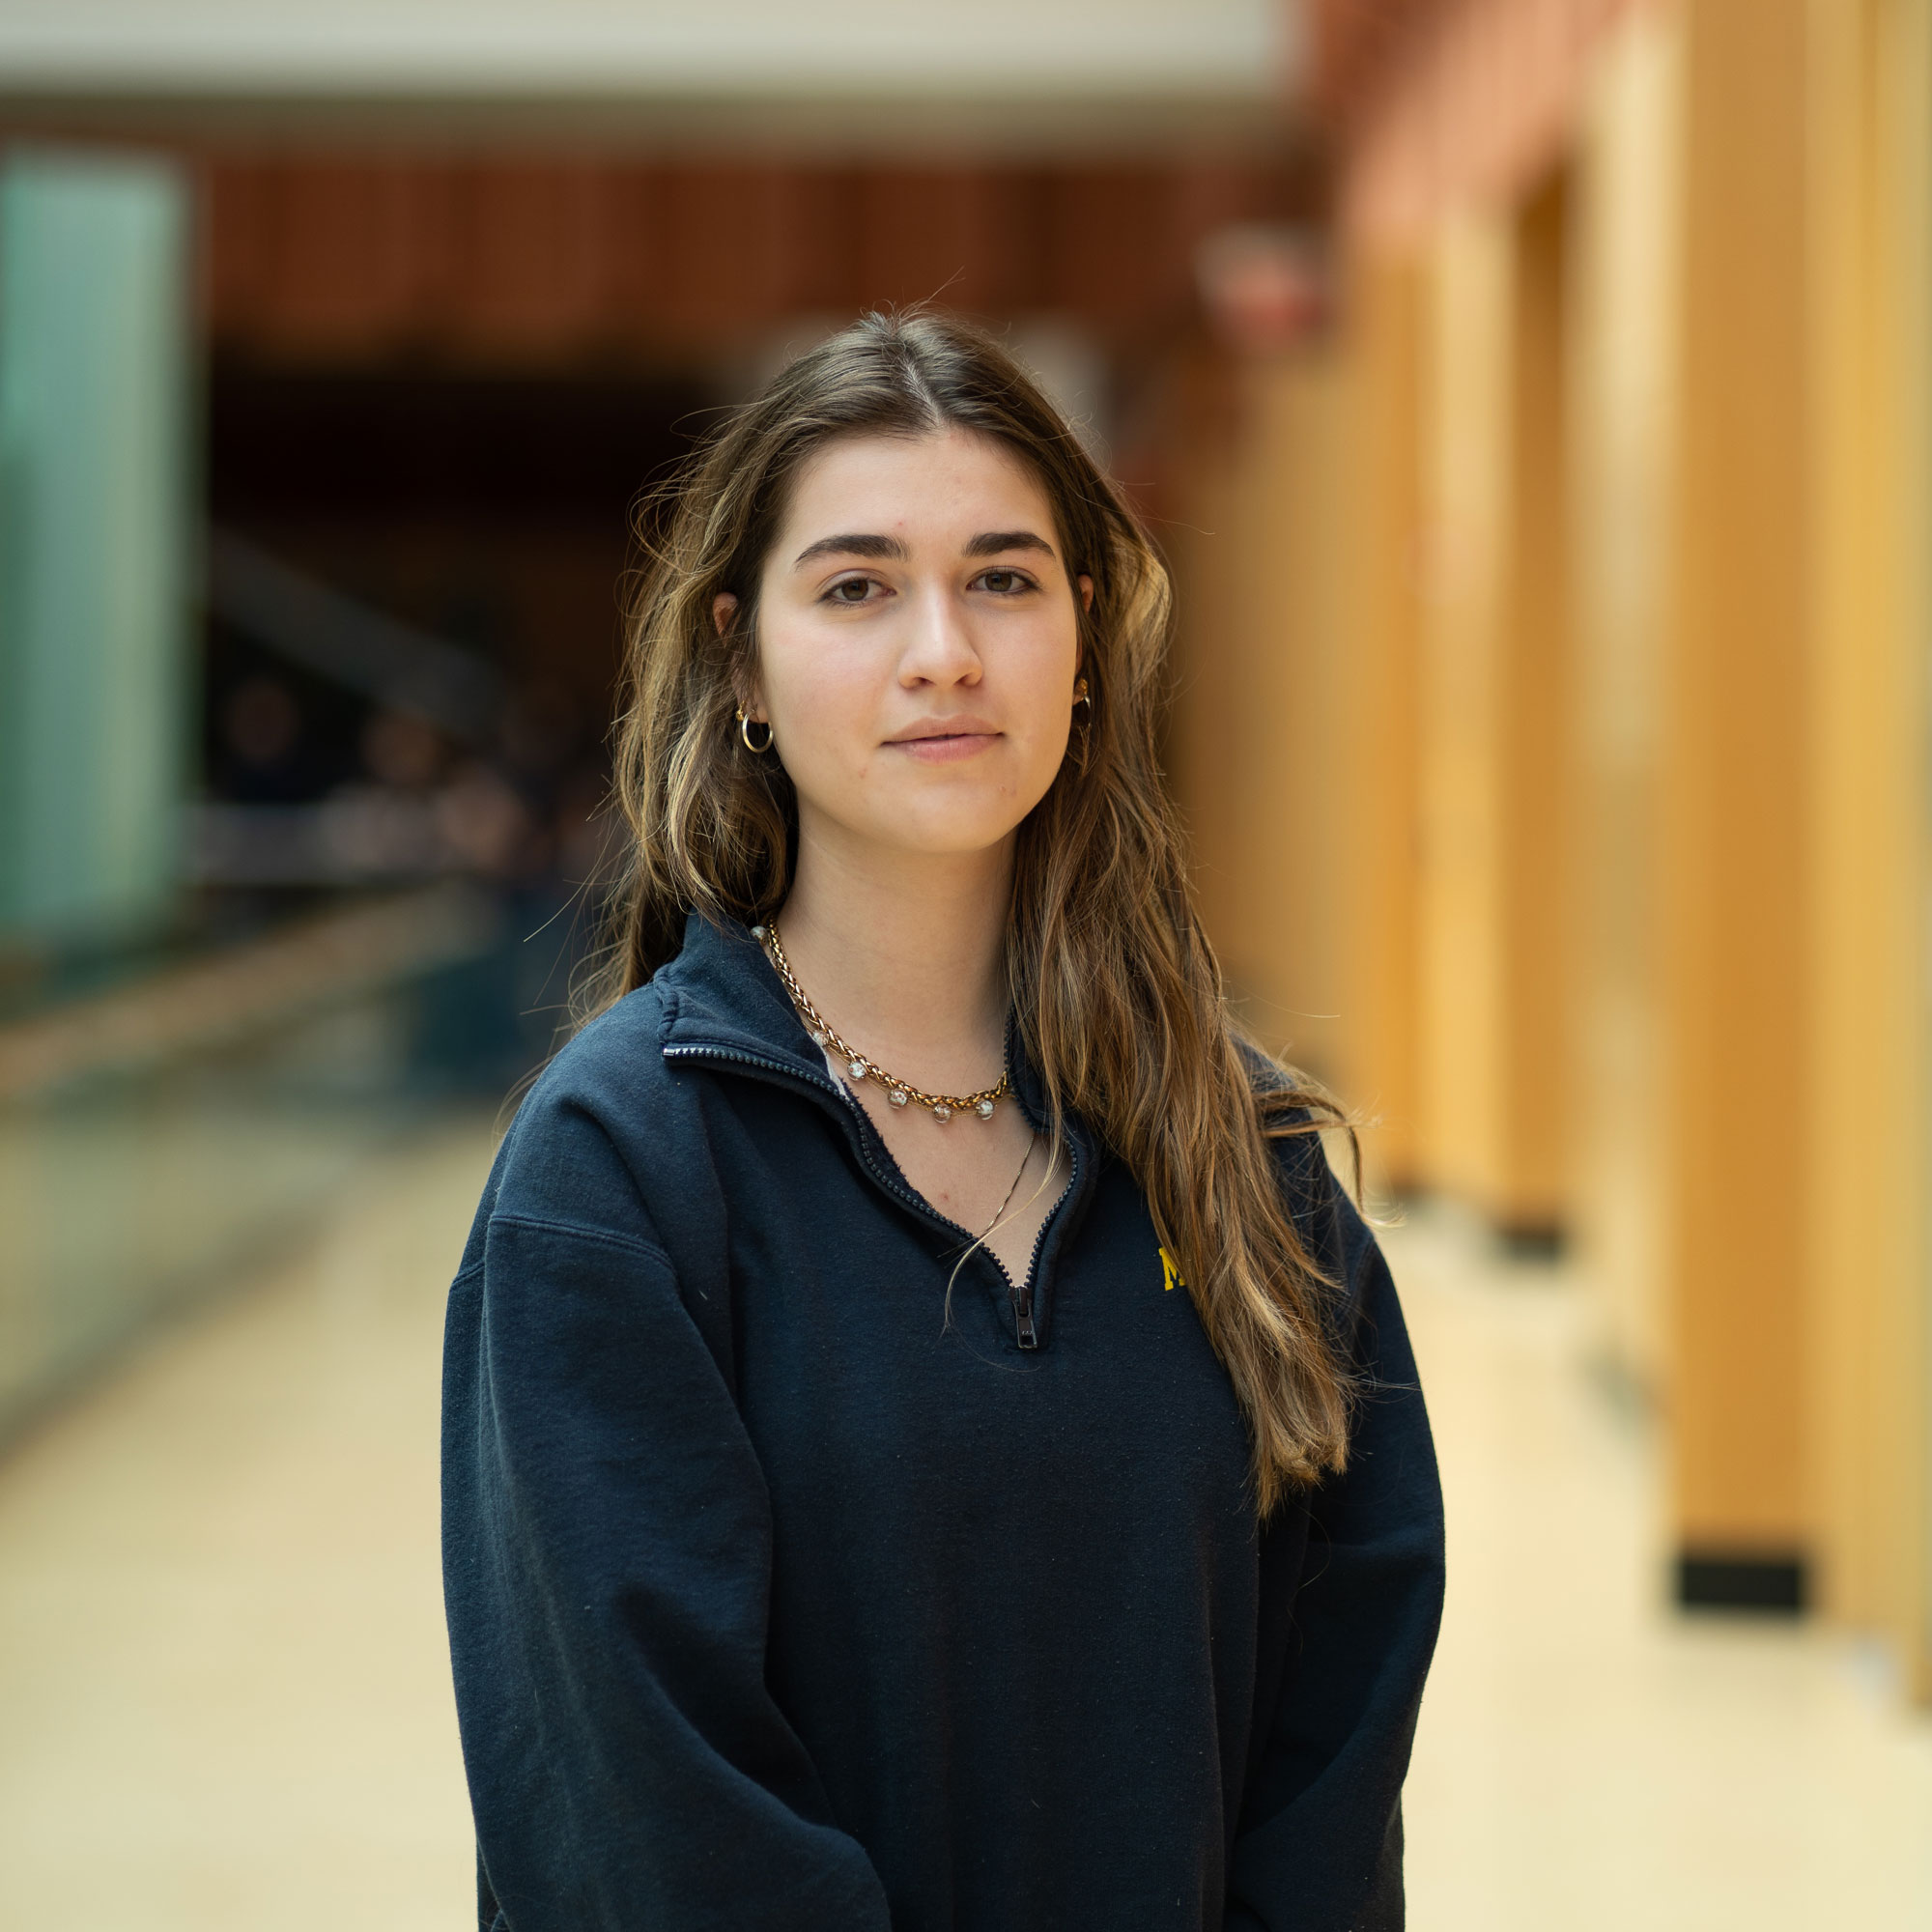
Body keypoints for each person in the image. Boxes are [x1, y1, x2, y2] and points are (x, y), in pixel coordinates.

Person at [440, 310, 1444, 1932]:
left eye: (1003, 576)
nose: (943, 652)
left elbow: (1338, 1734)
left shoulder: (1238, 1154)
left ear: (1087, 636)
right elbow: (649, 1812)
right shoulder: (623, 1171)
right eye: (855, 587)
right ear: (739, 659)